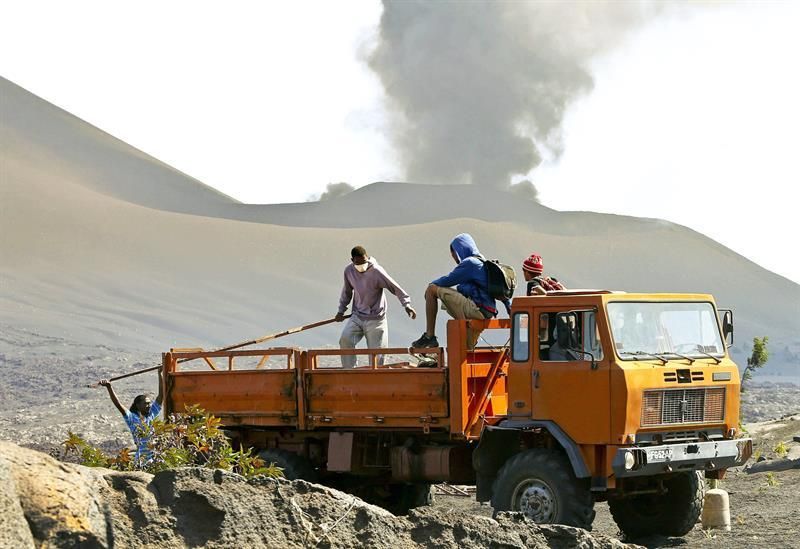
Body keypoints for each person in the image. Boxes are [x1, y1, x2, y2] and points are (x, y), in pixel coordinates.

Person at [412, 233, 511, 350]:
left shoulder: (470, 263)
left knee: (431, 290)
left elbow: (447, 280)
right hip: (487, 313)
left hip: (475, 309)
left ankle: (429, 336)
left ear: (459, 250)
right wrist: (510, 310)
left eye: (454, 255)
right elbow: (503, 295)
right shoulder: (483, 262)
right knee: (463, 349)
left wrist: (431, 285)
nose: (455, 259)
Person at [336, 245, 417, 368]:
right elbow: (347, 292)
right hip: (357, 316)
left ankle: (375, 378)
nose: (362, 266)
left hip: (376, 319)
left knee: (376, 355)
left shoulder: (376, 271)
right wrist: (341, 311)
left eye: (364, 262)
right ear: (352, 260)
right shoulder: (349, 271)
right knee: (345, 339)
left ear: (367, 258)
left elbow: (394, 287)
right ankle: (349, 371)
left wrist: (406, 305)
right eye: (358, 263)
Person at [99, 370, 163, 461]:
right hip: (142, 459)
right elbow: (118, 404)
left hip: (154, 456)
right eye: (146, 404)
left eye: (149, 403)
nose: (149, 406)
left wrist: (160, 374)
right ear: (138, 405)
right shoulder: (132, 418)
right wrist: (109, 387)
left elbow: (161, 396)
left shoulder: (151, 415)